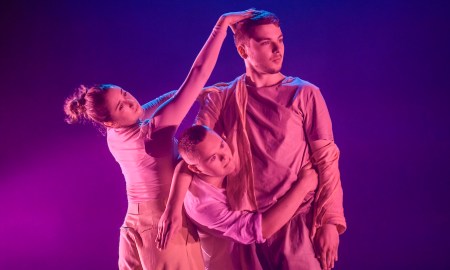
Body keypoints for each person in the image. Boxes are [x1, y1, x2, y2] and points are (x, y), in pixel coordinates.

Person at [63, 10, 255, 270]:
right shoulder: (153, 132)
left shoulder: (114, 134)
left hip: (133, 226)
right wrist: (222, 25)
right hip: (163, 227)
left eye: (124, 92)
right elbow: (197, 73)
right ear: (109, 121)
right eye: (121, 106)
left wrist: (195, 94)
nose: (130, 101)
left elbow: (148, 106)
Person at [158, 9, 346, 270]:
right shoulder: (223, 97)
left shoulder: (305, 93)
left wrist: (329, 223)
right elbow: (192, 154)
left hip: (296, 219)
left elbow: (327, 163)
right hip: (246, 227)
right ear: (244, 51)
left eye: (280, 40)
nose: (278, 49)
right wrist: (172, 208)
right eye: (266, 42)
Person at [176, 125, 319, 269]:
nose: (225, 156)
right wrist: (304, 185)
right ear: (195, 169)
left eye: (222, 145)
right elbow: (263, 229)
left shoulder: (222, 155)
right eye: (213, 158)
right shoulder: (202, 205)